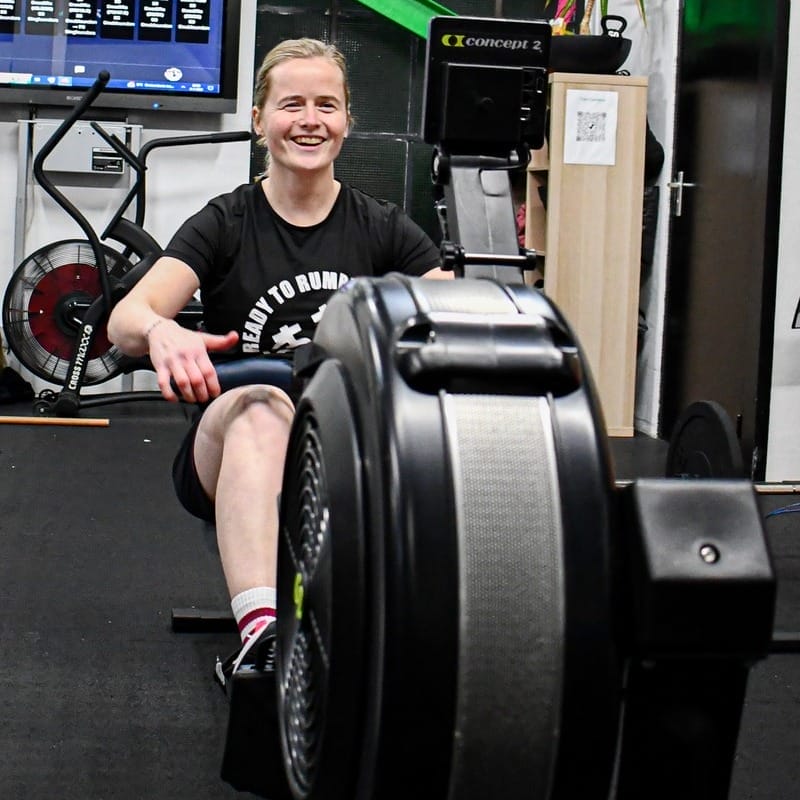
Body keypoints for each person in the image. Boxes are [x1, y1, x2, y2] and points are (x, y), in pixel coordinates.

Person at [107, 37, 449, 680]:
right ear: (260, 121)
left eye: (327, 104)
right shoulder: (226, 221)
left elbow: (454, 321)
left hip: (348, 455)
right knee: (262, 404)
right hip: (228, 445)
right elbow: (126, 319)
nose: (310, 120)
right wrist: (160, 331)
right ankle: (264, 641)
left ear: (347, 120)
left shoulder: (383, 228)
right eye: (291, 104)